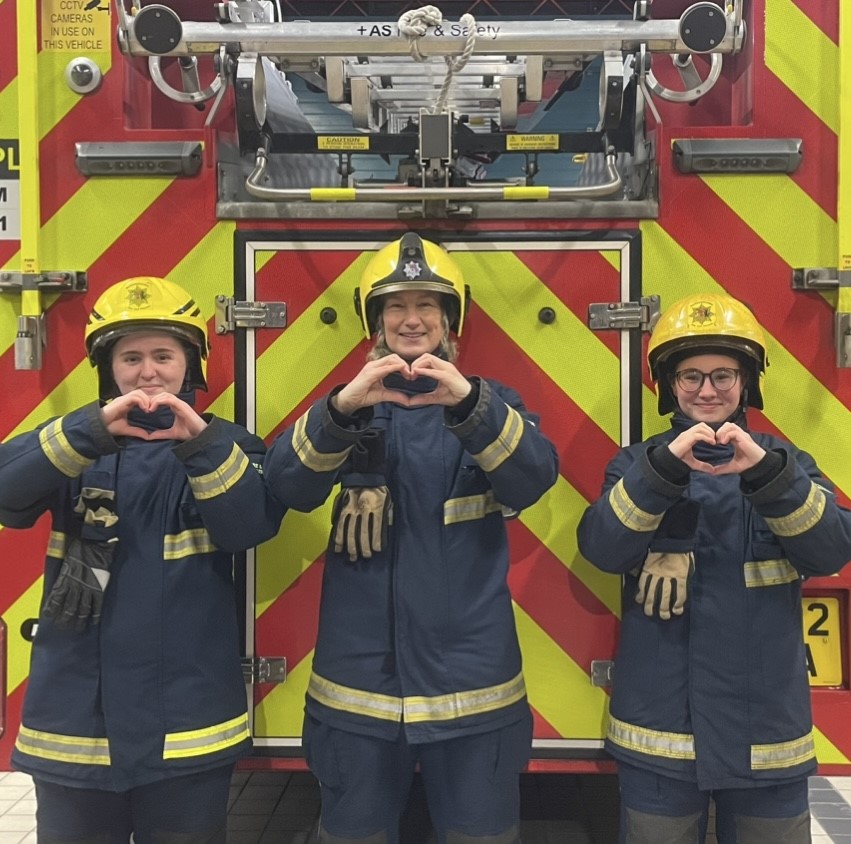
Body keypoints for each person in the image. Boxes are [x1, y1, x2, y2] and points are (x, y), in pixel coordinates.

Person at [264, 233, 559, 844]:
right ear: (374, 321)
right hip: (358, 693)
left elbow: (532, 479)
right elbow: (287, 486)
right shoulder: (348, 409)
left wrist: (469, 404)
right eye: (395, 306)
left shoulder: (491, 405)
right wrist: (343, 410)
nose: (412, 319)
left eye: (427, 304)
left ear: (451, 320)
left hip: (473, 692)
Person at [0, 276, 284, 843]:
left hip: (186, 727)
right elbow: (7, 495)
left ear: (190, 365)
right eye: (130, 358)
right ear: (109, 369)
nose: (147, 372)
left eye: (163, 356)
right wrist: (89, 431)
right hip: (77, 727)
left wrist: (199, 443)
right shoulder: (73, 443)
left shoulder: (229, 445)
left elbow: (249, 526)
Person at [577, 293, 851, 843]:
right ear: (668, 384)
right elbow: (602, 548)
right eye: (691, 376)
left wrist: (769, 478)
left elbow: (830, 551)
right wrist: (661, 477)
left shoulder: (786, 464)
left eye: (723, 375)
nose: (707, 390)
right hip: (660, 738)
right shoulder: (636, 464)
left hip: (766, 742)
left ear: (746, 382)